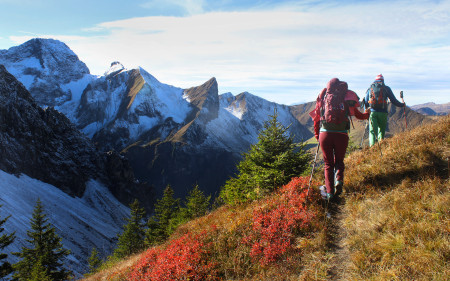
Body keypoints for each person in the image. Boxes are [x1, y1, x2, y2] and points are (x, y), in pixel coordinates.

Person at [310, 78, 370, 201]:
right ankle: (339, 180)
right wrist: (367, 114)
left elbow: (316, 118)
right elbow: (358, 115)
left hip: (325, 134)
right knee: (339, 161)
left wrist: (317, 135)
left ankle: (330, 193)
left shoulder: (323, 97)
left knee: (328, 164)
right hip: (341, 134)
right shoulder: (347, 96)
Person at [363, 74, 405, 147]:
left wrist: (366, 112)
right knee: (381, 130)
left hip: (373, 112)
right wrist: (402, 105)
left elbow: (366, 102)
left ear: (375, 80)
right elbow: (393, 100)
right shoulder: (386, 88)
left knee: (373, 131)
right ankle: (381, 145)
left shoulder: (370, 88)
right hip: (383, 113)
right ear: (383, 80)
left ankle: (372, 147)